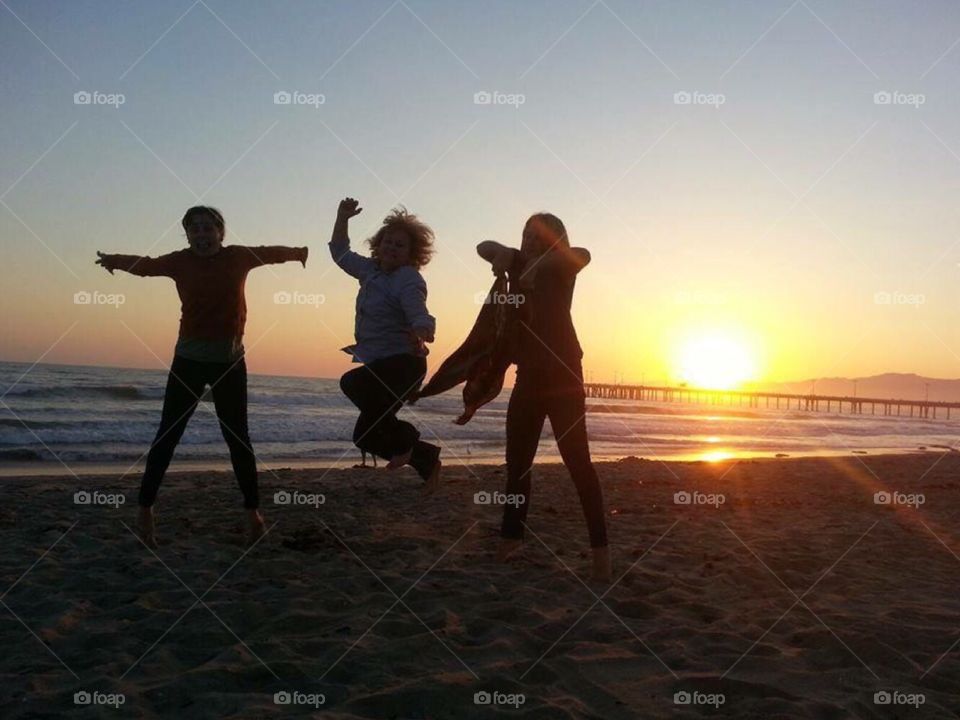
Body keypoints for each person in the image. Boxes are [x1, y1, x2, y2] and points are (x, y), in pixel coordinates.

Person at [96, 205, 307, 547]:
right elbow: (146, 266)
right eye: (194, 229)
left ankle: (252, 513)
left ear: (221, 233)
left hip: (230, 363)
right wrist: (114, 260)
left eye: (208, 228)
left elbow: (269, 254)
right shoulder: (179, 261)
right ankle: (145, 509)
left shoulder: (238, 257)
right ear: (188, 235)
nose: (202, 234)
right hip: (189, 362)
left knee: (237, 438)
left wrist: (298, 253)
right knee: (168, 435)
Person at [477, 213, 611, 581]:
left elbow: (583, 254)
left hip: (565, 376)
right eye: (525, 235)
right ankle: (511, 539)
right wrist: (505, 253)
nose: (529, 241)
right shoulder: (518, 261)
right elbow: (482, 247)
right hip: (529, 377)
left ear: (555, 241)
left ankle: (600, 550)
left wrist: (542, 261)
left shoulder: (563, 268)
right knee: (517, 464)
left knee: (578, 463)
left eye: (538, 237)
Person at [329, 197, 442, 492]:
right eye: (387, 242)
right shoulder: (370, 270)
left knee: (352, 383)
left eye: (400, 245)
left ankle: (406, 437)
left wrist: (422, 330)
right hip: (382, 364)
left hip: (404, 364)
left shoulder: (407, 279)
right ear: (378, 245)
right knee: (364, 436)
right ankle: (426, 458)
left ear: (412, 254)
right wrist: (342, 218)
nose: (391, 248)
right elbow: (340, 253)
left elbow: (418, 310)